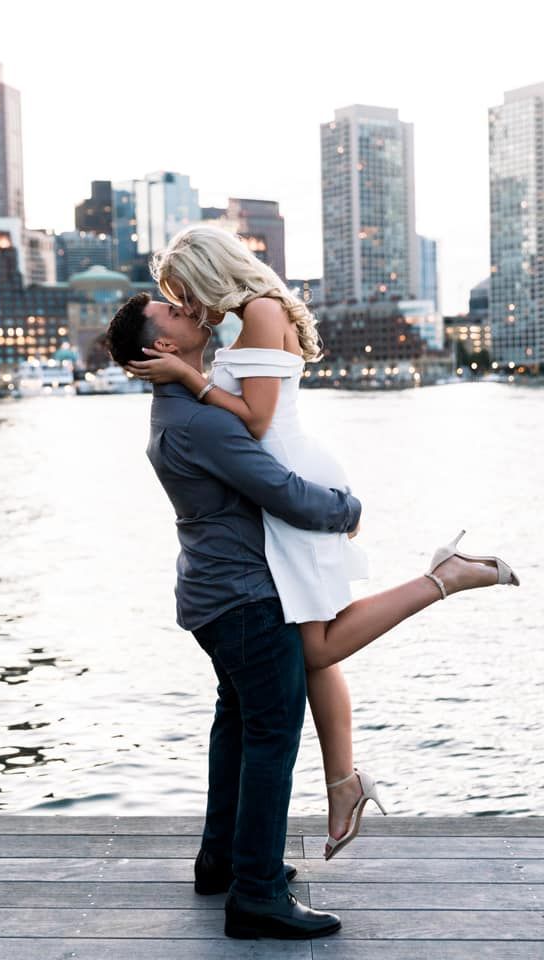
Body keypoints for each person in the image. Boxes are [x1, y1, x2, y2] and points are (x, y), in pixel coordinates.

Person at [123, 224, 521, 862]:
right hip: (281, 473)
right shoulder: (251, 314)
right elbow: (248, 416)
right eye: (175, 301)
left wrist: (188, 377)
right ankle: (344, 783)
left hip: (287, 474)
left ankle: (442, 579)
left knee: (316, 643)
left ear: (209, 271)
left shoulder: (257, 310)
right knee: (315, 644)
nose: (190, 305)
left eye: (183, 291)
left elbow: (254, 419)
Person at [105, 291, 357, 940]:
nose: (191, 311)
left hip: (215, 594)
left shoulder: (180, 407)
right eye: (175, 313)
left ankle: (223, 860)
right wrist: (347, 510)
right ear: (163, 347)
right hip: (245, 598)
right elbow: (283, 492)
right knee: (273, 736)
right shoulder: (201, 421)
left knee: (240, 727)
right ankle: (257, 895)